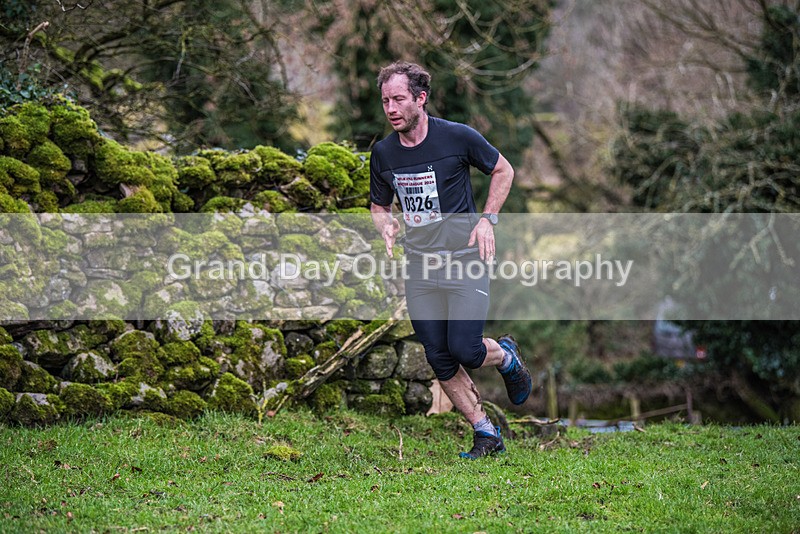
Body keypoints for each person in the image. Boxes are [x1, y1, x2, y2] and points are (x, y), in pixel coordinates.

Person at [369, 61, 533, 459]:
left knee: (466, 350)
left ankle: (506, 356)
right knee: (438, 355)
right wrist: (385, 224)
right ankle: (486, 435)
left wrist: (487, 220)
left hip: (464, 258)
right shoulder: (384, 152)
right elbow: (378, 204)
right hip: (421, 265)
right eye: (386, 100)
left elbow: (503, 170)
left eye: (399, 99)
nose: (391, 108)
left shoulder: (457, 138)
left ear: (421, 99)